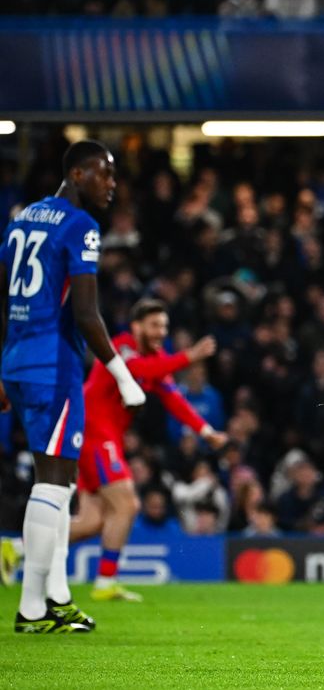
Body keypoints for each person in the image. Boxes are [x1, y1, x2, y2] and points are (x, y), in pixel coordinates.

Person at [0, 140, 146, 633]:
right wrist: (123, 376)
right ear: (79, 174)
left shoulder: (23, 218)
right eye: (104, 174)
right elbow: (86, 315)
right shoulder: (80, 227)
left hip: (18, 361)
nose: (112, 185)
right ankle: (32, 609)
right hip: (54, 366)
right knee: (54, 484)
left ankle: (56, 597)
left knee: (56, 486)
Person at [70, 298, 228, 602]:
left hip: (102, 436)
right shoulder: (121, 347)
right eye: (154, 325)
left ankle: (18, 549)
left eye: (164, 326)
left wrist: (206, 432)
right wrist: (188, 356)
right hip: (94, 432)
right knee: (127, 505)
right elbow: (137, 368)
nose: (160, 332)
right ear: (136, 326)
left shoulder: (156, 358)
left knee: (92, 522)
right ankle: (105, 582)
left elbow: (173, 398)